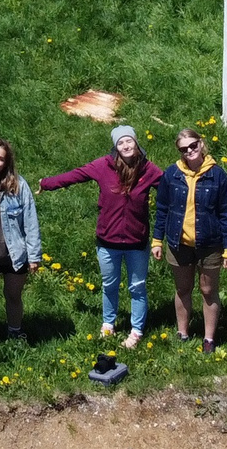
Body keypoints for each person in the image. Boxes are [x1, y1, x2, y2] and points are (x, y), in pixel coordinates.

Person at [37, 124, 163, 346]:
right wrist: (46, 184)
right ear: (115, 147)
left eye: (129, 141)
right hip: (107, 241)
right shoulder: (103, 166)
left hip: (137, 242)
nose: (125, 145)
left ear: (136, 143)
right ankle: (108, 324)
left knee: (137, 288)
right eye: (120, 142)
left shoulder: (148, 170)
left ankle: (136, 331)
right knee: (109, 285)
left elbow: (171, 189)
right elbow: (75, 175)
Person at [151, 127, 227, 350]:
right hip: (178, 242)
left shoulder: (218, 176)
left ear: (201, 144)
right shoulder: (172, 175)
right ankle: (183, 333)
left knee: (208, 290)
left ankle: (209, 338)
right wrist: (157, 240)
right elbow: (162, 208)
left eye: (193, 145)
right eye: (184, 149)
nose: (189, 151)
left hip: (210, 244)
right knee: (183, 289)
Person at [0, 139, 42, 342]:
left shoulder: (18, 186)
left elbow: (30, 222)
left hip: (15, 254)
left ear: (7, 162)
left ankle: (15, 333)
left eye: (0, 158)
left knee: (13, 296)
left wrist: (34, 256)